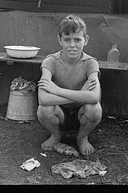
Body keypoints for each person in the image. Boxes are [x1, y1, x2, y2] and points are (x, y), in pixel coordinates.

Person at [37, 15, 102, 156]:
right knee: (43, 110)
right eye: (67, 40)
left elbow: (95, 97)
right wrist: (81, 96)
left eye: (77, 39)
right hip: (59, 113)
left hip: (81, 114)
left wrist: (57, 90)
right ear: (59, 40)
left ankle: (82, 137)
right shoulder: (50, 62)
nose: (72, 45)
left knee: (95, 109)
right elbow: (42, 99)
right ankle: (55, 135)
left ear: (86, 40)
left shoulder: (91, 63)